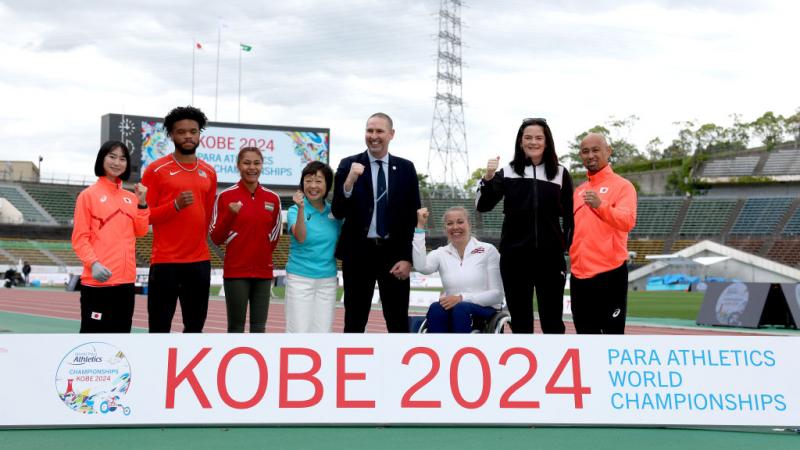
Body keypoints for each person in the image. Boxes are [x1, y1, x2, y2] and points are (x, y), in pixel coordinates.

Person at [475, 117, 573, 334]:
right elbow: (483, 205)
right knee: (520, 322)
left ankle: (555, 364)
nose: (533, 142)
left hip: (550, 259)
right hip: (515, 259)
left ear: (547, 142)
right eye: (528, 137)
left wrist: (565, 246)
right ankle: (523, 365)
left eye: (539, 137)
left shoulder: (560, 173)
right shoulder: (508, 172)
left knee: (553, 322)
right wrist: (488, 178)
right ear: (520, 142)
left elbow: (569, 216)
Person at [331, 112, 421, 333]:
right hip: (358, 254)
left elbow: (413, 217)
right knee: (354, 321)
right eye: (369, 130)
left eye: (379, 131)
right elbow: (338, 210)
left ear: (391, 134)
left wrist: (408, 258)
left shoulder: (406, 169)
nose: (374, 136)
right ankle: (352, 366)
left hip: (394, 256)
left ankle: (400, 366)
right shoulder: (348, 165)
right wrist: (350, 181)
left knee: (398, 321)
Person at [142, 106, 218, 333]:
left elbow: (206, 216)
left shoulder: (209, 172)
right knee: (159, 327)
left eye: (193, 131)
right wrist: (174, 206)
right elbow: (144, 216)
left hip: (199, 263)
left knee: (195, 328)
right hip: (165, 262)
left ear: (199, 134)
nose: (188, 136)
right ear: (171, 135)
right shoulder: (156, 170)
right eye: (181, 131)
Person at [71, 140, 149, 333]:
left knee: (120, 341)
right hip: (98, 283)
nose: (117, 162)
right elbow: (80, 238)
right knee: (93, 340)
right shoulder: (88, 195)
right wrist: (93, 263)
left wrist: (142, 204)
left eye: (122, 159)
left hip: (125, 283)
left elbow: (140, 231)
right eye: (112, 157)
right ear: (102, 159)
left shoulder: (131, 198)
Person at [570, 132, 637, 334]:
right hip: (579, 277)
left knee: (610, 340)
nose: (590, 155)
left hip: (609, 274)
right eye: (585, 151)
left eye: (596, 150)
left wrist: (600, 206)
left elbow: (627, 221)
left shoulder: (623, 186)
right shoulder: (578, 191)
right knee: (585, 340)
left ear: (608, 151)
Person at [209, 147, 281, 333]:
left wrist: (261, 255)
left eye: (257, 163)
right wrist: (230, 215)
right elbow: (216, 238)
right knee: (235, 328)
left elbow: (274, 236)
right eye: (246, 162)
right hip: (236, 273)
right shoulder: (225, 197)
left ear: (262, 165)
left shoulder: (273, 198)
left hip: (263, 273)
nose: (252, 167)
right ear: (238, 165)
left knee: (259, 328)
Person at [412, 206, 503, 333]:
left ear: (469, 224)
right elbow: (421, 266)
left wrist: (461, 298)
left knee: (461, 308)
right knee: (436, 308)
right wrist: (420, 228)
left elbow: (497, 295)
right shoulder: (441, 253)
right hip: (454, 309)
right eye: (450, 223)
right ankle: (438, 349)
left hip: (485, 310)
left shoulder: (488, 250)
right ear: (445, 229)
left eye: (460, 222)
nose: (455, 227)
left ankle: (462, 349)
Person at [285, 161, 342, 332]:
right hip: (300, 279)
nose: (313, 186)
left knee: (323, 333)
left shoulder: (336, 213)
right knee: (298, 331)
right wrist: (302, 208)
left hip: (327, 280)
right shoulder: (295, 210)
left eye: (318, 181)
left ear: (327, 185)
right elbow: (301, 237)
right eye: (308, 180)